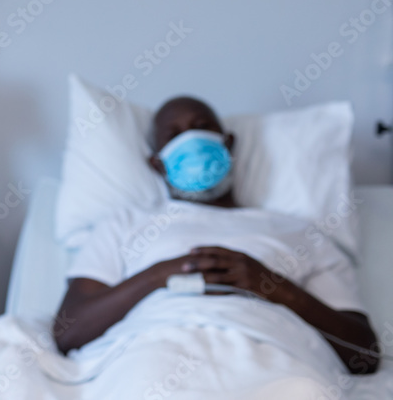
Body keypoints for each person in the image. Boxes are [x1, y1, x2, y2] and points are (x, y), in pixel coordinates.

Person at [54, 95, 380, 375]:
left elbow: (363, 355)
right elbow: (68, 332)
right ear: (157, 164)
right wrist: (159, 275)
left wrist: (271, 285)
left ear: (229, 143)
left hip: (276, 363)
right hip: (152, 357)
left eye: (202, 126)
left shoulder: (299, 233)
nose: (192, 139)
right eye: (175, 134)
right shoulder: (124, 225)